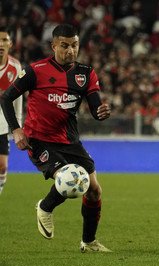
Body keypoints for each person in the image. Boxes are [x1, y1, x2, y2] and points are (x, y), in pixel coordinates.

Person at [0, 24, 112, 253]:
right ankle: (45, 206)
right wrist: (16, 129)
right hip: (39, 139)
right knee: (71, 179)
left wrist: (101, 112)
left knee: (94, 190)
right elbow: (6, 98)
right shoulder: (35, 70)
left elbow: (95, 107)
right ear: (54, 46)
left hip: (70, 140)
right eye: (64, 46)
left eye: (74, 45)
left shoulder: (86, 73)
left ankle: (89, 242)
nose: (70, 50)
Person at [0, 27, 23, 195]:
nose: (1, 44)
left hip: (1, 125)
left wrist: (18, 127)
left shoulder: (15, 67)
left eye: (4, 40)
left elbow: (18, 98)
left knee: (3, 166)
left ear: (10, 44)